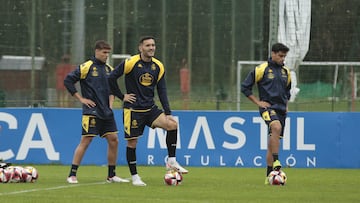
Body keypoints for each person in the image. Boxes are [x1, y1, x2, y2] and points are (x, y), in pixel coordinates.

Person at [108, 36, 188, 186]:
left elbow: (162, 90)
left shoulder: (158, 66)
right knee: (132, 143)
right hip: (133, 110)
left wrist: (168, 112)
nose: (151, 48)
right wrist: (121, 96)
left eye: (153, 45)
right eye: (148, 45)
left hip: (150, 109)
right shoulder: (130, 63)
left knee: (172, 124)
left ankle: (171, 161)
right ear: (141, 48)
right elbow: (111, 78)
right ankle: (135, 177)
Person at [64, 40, 129, 184]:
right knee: (86, 140)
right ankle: (72, 174)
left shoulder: (109, 69)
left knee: (114, 140)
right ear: (96, 51)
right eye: (104, 52)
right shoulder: (86, 67)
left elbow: (112, 89)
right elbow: (68, 80)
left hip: (107, 112)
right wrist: (81, 99)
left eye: (108, 53)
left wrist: (111, 104)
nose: (107, 55)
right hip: (91, 111)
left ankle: (111, 175)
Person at [241, 43, 291, 185]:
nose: (282, 59)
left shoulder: (286, 72)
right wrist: (258, 102)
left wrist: (286, 106)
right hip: (268, 108)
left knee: (273, 140)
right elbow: (245, 87)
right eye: (280, 56)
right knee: (275, 127)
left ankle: (270, 175)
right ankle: (276, 162)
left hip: (281, 110)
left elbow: (287, 92)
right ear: (273, 54)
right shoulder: (261, 69)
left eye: (284, 56)